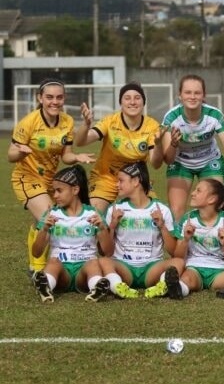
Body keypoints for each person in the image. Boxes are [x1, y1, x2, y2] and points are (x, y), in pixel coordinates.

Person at [9, 79, 95, 273]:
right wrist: (22, 152)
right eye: (49, 97)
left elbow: (66, 155)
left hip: (50, 181)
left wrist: (77, 157)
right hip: (26, 177)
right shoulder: (29, 122)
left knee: (39, 223)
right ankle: (38, 270)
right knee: (49, 216)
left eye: (59, 97)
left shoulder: (67, 121)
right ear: (40, 98)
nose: (54, 102)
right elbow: (10, 155)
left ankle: (34, 263)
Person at [97, 162, 186, 299]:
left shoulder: (161, 210)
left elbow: (173, 251)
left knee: (179, 262)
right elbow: (107, 252)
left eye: (121, 181)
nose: (117, 185)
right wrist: (113, 226)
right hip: (124, 267)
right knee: (104, 261)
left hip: (151, 268)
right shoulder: (114, 210)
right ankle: (118, 287)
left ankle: (161, 287)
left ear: (136, 181)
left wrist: (162, 226)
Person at [75, 82, 165, 212]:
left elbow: (156, 164)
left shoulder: (152, 126)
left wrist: (158, 144)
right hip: (105, 178)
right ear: (121, 103)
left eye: (137, 98)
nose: (132, 102)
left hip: (135, 181)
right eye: (127, 98)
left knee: (153, 215)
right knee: (94, 215)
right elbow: (80, 142)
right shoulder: (110, 121)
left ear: (143, 102)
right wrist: (86, 125)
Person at [30, 165, 113, 303]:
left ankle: (97, 287)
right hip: (62, 272)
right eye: (53, 191)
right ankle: (46, 286)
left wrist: (102, 229)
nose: (55, 195)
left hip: (84, 272)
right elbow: (36, 253)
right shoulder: (51, 214)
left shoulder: (93, 214)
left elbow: (108, 252)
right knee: (53, 261)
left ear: (75, 190)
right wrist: (44, 229)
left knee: (93, 263)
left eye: (59, 191)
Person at [161, 74, 224, 222]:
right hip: (180, 163)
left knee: (214, 206)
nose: (192, 96)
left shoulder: (214, 115)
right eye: (188, 92)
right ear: (180, 95)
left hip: (209, 161)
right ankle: (181, 243)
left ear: (204, 96)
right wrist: (174, 144)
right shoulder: (171, 118)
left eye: (197, 93)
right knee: (176, 211)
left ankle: (212, 242)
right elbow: (168, 159)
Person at [168, 178, 224, 300]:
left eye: (198, 191)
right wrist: (186, 239)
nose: (193, 193)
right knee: (187, 279)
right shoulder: (188, 219)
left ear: (212, 199)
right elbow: (177, 256)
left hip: (218, 273)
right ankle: (179, 290)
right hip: (194, 269)